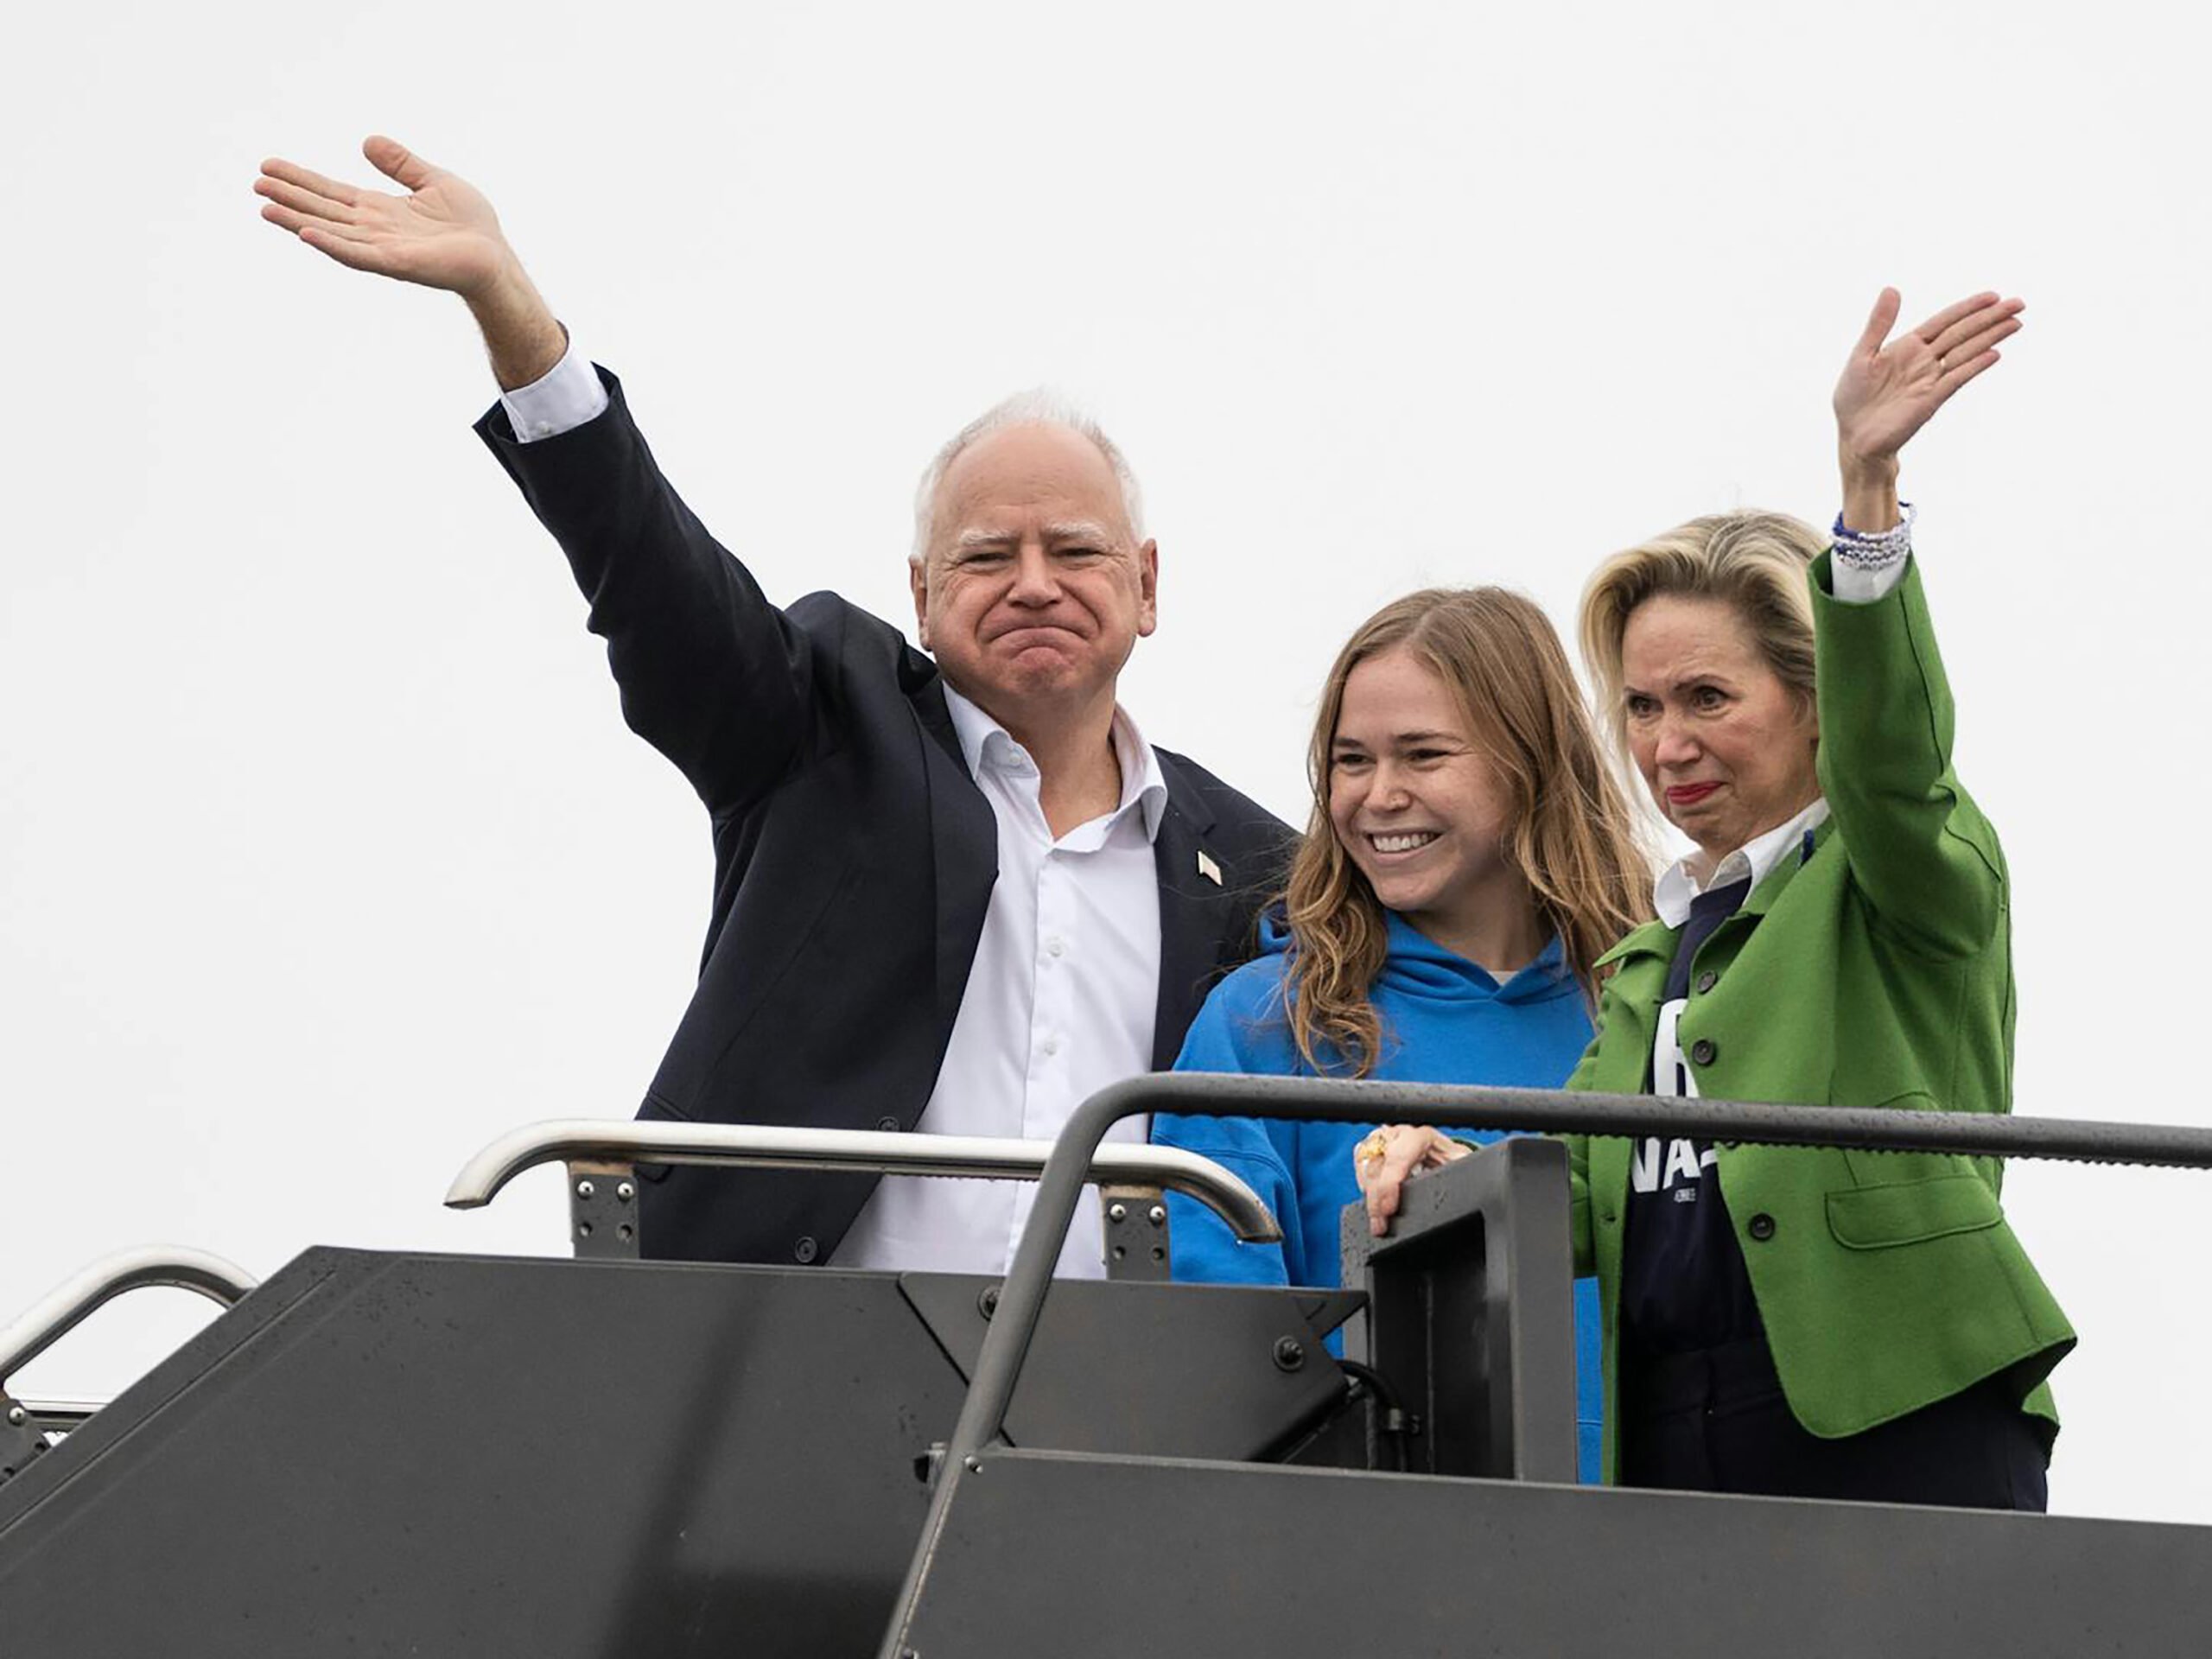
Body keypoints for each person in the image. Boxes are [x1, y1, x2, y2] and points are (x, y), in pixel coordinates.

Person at [254, 137, 1292, 1273]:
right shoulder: (826, 728)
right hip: (796, 1384)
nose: (1034, 582)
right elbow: (659, 579)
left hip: (1124, 1408)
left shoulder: (1256, 867)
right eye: (989, 553)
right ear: (922, 595)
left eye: (1075, 549)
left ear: (1146, 585)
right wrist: (515, 316)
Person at [1357, 289, 2074, 1510]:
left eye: (1706, 698)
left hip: (1895, 1419)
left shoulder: (1903, 871)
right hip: (1680, 1436)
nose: (1666, 743)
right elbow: (1589, 1190)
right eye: (1641, 707)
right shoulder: (1658, 948)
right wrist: (1449, 1162)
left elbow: (1896, 757)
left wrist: (1867, 493)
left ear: (1811, 698)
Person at [1152, 586, 1649, 1478]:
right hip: (1375, 1569)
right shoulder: (1264, 1025)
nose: (1379, 796)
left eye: (1422, 755)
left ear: (1529, 765)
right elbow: (1213, 1367)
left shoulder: (1647, 1015)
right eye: (1350, 761)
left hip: (1659, 1560)